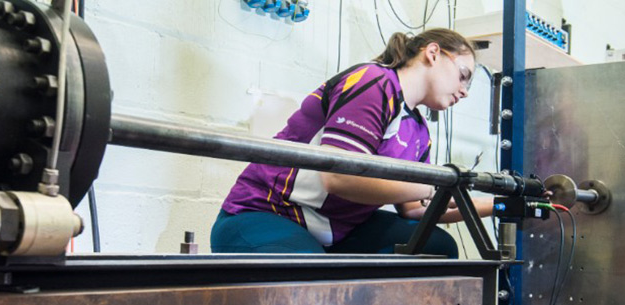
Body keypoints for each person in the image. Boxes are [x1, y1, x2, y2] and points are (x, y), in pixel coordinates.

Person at [211, 28, 493, 256]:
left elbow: (415, 208)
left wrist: (499, 204)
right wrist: (432, 185)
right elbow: (337, 178)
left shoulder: (418, 130)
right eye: (463, 76)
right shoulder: (373, 83)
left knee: (437, 247)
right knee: (309, 277)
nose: (464, 92)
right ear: (433, 53)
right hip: (267, 213)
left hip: (335, 231)